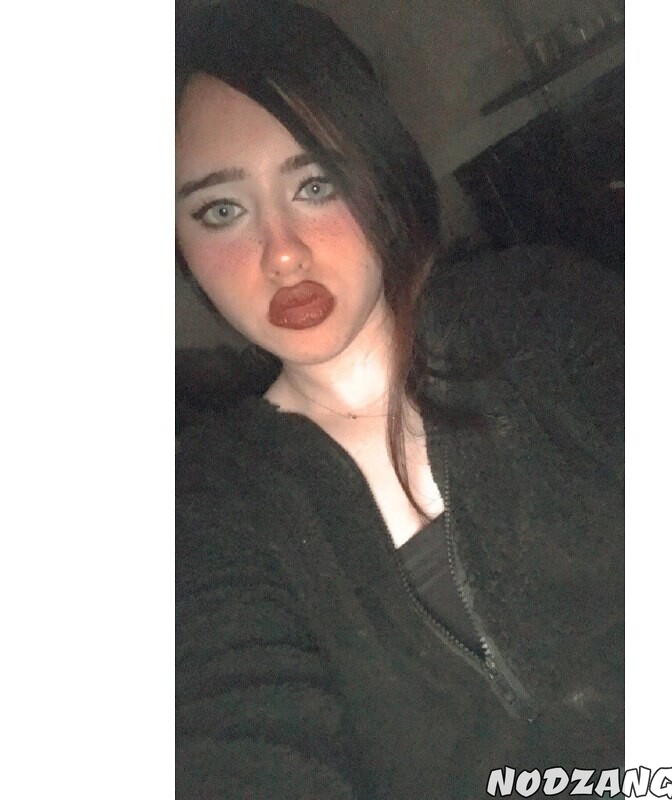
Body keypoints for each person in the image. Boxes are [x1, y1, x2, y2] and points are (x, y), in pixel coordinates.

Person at [175, 1, 624, 798]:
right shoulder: (207, 503)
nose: (282, 253)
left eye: (315, 184)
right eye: (221, 210)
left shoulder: (544, 318)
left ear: (378, 176)